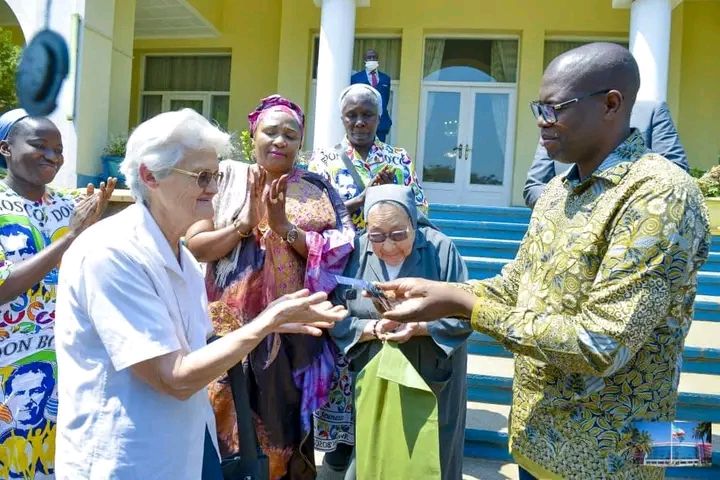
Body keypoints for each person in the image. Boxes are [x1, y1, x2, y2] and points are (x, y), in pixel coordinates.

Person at [376, 43, 710, 479]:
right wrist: (440, 297)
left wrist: (466, 306)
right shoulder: (557, 191)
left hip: (610, 459)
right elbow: (517, 284)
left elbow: (599, 344)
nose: (540, 121)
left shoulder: (660, 194)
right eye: (539, 106)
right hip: (539, 443)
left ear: (611, 104)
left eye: (556, 108)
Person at [53, 108, 347, 480]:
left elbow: (198, 347)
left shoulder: (182, 260)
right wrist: (266, 323)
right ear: (149, 176)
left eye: (215, 175)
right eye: (202, 176)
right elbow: (173, 377)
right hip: (121, 458)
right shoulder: (112, 253)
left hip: (178, 454)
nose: (213, 188)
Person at [185, 95, 355, 480]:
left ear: (301, 141)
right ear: (253, 134)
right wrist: (244, 223)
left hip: (292, 334)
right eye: (271, 132)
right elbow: (196, 244)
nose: (280, 141)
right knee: (224, 418)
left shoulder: (317, 189)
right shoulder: (223, 178)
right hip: (228, 329)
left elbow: (338, 252)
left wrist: (285, 228)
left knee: (284, 429)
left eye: (290, 135)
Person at [0, 109, 114, 480]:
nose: (53, 156)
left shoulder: (68, 207)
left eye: (59, 149)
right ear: (6, 148)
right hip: (8, 368)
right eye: (40, 145)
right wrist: (73, 238)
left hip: (63, 363)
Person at [327, 184, 470, 479]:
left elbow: (466, 314)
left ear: (413, 224)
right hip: (375, 374)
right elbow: (334, 313)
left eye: (398, 234)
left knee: (431, 460)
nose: (388, 246)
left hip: (430, 376)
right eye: (377, 236)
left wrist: (419, 327)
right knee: (374, 456)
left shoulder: (440, 249)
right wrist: (371, 328)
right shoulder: (356, 251)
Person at [523, 99, 688, 208]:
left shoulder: (650, 111)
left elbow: (677, 174)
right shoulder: (553, 122)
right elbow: (534, 186)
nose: (542, 120)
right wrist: (576, 205)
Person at [308, 84, 428, 230]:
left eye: (367, 115)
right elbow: (314, 216)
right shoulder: (323, 160)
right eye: (351, 115)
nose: (359, 123)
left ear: (378, 118)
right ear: (342, 119)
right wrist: (361, 200)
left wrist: (393, 195)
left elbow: (421, 212)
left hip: (389, 250)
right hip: (343, 251)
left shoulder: (400, 159)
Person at [350, 49, 392, 142]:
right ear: (364, 59)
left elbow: (385, 99)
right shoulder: (356, 78)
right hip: (362, 122)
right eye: (369, 57)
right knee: (362, 151)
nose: (372, 59)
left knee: (379, 152)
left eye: (374, 57)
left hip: (381, 124)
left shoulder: (385, 79)